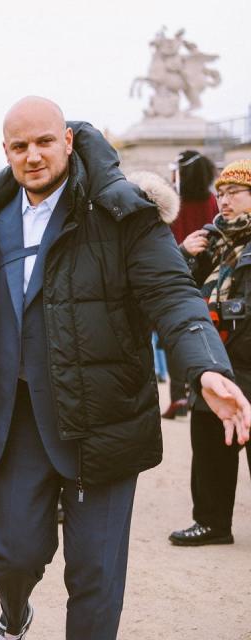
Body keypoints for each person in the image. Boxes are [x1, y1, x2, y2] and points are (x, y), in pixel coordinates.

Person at [0, 97, 250, 640]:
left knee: (95, 571)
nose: (33, 156)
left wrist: (208, 368)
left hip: (104, 416)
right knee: (14, 555)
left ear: (67, 141)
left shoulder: (123, 210)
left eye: (45, 142)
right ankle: (14, 612)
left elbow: (171, 293)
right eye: (20, 146)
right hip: (15, 414)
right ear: (6, 151)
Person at [170, 159, 251, 547]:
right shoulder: (208, 240)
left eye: (234, 193)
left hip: (247, 356)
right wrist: (184, 253)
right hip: (215, 355)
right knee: (208, 440)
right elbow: (173, 287)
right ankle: (212, 522)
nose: (225, 201)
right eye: (220, 193)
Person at [164, 150, 220, 418]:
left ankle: (178, 395)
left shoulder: (176, 201)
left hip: (179, 269)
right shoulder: (211, 200)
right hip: (208, 274)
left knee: (177, 336)